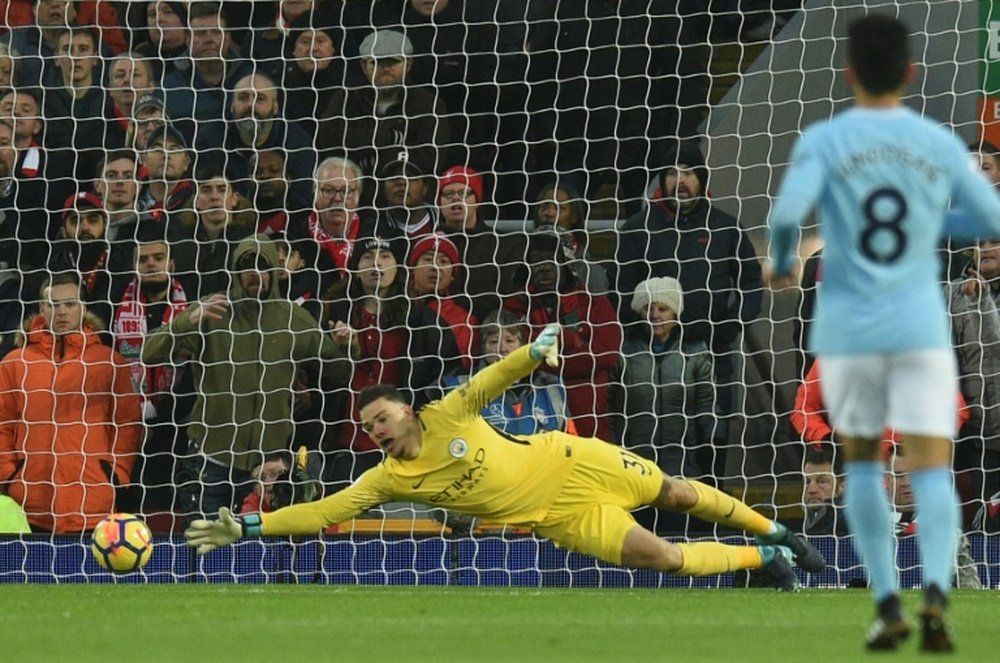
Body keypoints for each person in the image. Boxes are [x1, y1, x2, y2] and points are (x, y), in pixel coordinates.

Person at [186, 322, 826, 592]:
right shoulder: (387, 478)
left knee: (677, 494)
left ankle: (778, 529)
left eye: (381, 417)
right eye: (367, 426)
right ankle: (763, 559)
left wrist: (534, 350)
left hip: (572, 460)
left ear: (406, 410)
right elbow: (323, 511)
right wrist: (247, 525)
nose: (375, 430)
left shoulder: (448, 412)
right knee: (660, 557)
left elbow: (491, 380)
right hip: (558, 517)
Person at [765, 13, 1000, 651]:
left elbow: (785, 217)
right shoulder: (934, 140)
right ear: (909, 72)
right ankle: (937, 596)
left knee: (865, 469)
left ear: (848, 74)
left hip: (850, 332)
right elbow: (989, 213)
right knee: (930, 472)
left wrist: (786, 262)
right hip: (919, 327)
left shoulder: (827, 138)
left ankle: (887, 599)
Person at [141, 234, 349, 518]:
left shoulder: (294, 319)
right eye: (246, 265)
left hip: (267, 469)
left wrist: (346, 346)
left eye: (261, 265)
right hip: (209, 460)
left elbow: (339, 373)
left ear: (274, 272)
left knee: (262, 556)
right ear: (235, 271)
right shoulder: (212, 310)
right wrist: (183, 323)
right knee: (205, 552)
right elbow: (149, 354)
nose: (254, 273)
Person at [617, 141, 763, 478]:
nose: (679, 180)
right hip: (653, 359)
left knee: (712, 441)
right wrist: (644, 325)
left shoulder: (726, 227)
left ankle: (710, 521)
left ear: (702, 179)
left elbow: (751, 282)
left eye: (688, 173)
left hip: (714, 354)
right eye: (671, 173)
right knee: (652, 449)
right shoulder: (638, 228)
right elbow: (621, 288)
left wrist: (732, 322)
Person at [0, 272, 142, 533]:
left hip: (94, 502)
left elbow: (128, 424)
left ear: (83, 307)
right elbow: (3, 425)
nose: (61, 312)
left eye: (70, 304)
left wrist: (116, 474)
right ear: (42, 308)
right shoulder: (14, 363)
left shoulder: (109, 362)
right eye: (53, 304)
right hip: (29, 502)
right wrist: (10, 475)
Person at [504, 227, 621, 441]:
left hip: (589, 429)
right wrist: (570, 340)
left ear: (567, 263)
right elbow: (511, 351)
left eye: (551, 258)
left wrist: (541, 358)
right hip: (533, 431)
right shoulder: (514, 307)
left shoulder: (596, 305)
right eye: (536, 260)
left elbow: (605, 355)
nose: (544, 267)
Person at [610, 277, 717, 481]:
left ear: (676, 313)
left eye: (662, 309)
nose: (654, 316)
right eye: (648, 308)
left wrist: (706, 456)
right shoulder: (622, 351)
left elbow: (707, 408)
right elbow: (608, 405)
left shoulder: (695, 352)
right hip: (632, 464)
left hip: (682, 464)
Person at [444, 310, 574, 436]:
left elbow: (571, 439)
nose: (502, 349)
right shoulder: (461, 386)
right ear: (483, 348)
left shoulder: (550, 386)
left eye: (510, 341)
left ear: (522, 345)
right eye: (493, 342)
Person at [947, 238, 1000, 530]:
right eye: (981, 242)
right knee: (985, 529)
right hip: (975, 439)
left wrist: (981, 301)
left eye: (996, 242)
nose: (987, 249)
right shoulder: (953, 292)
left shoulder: (973, 295)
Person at [886, 444, 981, 589]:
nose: (906, 483)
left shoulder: (949, 533)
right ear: (888, 479)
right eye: (899, 475)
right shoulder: (866, 527)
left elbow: (971, 591)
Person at [801, 445, 846, 536]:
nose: (812, 490)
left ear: (843, 487)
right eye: (808, 482)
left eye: (822, 482)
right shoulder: (810, 520)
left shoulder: (849, 526)